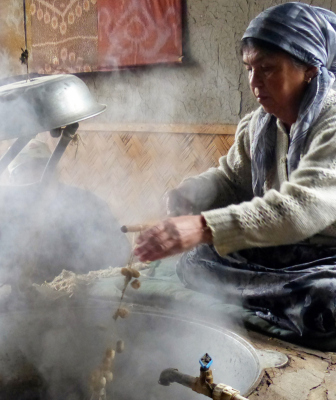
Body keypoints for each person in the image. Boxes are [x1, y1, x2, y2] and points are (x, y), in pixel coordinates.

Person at [134, 2, 336, 336]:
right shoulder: (259, 126)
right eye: (249, 68)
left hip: (328, 258)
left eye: (268, 68)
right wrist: (190, 195)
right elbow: (230, 179)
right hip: (286, 255)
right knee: (197, 261)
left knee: (326, 299)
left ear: (311, 68)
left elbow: (302, 208)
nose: (254, 81)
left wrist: (201, 226)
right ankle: (279, 301)